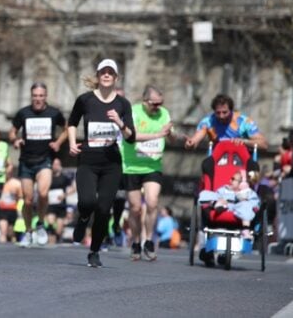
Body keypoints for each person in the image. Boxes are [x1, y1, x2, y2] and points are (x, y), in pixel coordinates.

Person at [67, 59, 135, 268]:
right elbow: (71, 123)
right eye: (103, 72)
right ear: (97, 76)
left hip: (111, 164)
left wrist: (120, 123)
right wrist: (71, 143)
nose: (106, 75)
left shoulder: (123, 104)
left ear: (116, 77)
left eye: (110, 72)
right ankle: (83, 217)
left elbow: (131, 137)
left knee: (105, 210)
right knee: (87, 202)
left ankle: (94, 251)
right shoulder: (85, 100)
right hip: (88, 160)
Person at [9, 82, 67, 247]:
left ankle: (40, 224)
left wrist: (58, 143)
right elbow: (13, 131)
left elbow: (67, 128)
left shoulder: (53, 113)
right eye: (35, 96)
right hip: (26, 160)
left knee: (42, 193)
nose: (38, 99)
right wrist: (15, 140)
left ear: (45, 96)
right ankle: (28, 231)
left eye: (41, 96)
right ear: (31, 96)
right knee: (27, 200)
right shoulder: (24, 113)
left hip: (45, 160)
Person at [120, 84, 174, 261]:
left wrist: (175, 135)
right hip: (132, 166)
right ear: (144, 101)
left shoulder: (164, 113)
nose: (158, 107)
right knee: (135, 208)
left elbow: (170, 135)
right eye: (154, 104)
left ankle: (148, 240)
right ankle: (135, 242)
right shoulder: (133, 112)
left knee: (152, 202)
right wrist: (159, 134)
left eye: (161, 103)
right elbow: (132, 136)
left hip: (153, 165)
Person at [185, 94, 267, 151]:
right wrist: (190, 143)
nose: (221, 116)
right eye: (218, 113)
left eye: (224, 112)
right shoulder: (208, 122)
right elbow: (196, 139)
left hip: (240, 159)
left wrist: (244, 142)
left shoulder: (244, 122)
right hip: (218, 159)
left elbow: (263, 145)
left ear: (231, 110)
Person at [198, 170, 260, 238]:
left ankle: (245, 230)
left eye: (233, 179)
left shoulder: (248, 193)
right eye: (231, 178)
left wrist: (246, 200)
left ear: (242, 184)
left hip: (238, 208)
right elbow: (216, 194)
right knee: (204, 193)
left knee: (245, 206)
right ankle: (216, 204)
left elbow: (255, 203)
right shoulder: (224, 189)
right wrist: (219, 200)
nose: (230, 181)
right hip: (223, 204)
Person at [46, 158, 75, 244]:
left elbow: (73, 188)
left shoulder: (64, 177)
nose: (55, 166)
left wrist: (64, 195)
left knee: (59, 228)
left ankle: (56, 240)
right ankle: (50, 241)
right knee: (50, 223)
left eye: (57, 164)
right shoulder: (48, 177)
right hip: (51, 204)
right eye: (53, 164)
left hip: (61, 205)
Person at [0, 170, 22, 244]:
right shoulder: (1, 182)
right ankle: (2, 244)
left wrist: (14, 195)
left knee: (10, 232)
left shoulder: (16, 183)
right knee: (3, 231)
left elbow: (20, 196)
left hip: (12, 208)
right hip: (3, 209)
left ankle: (10, 242)